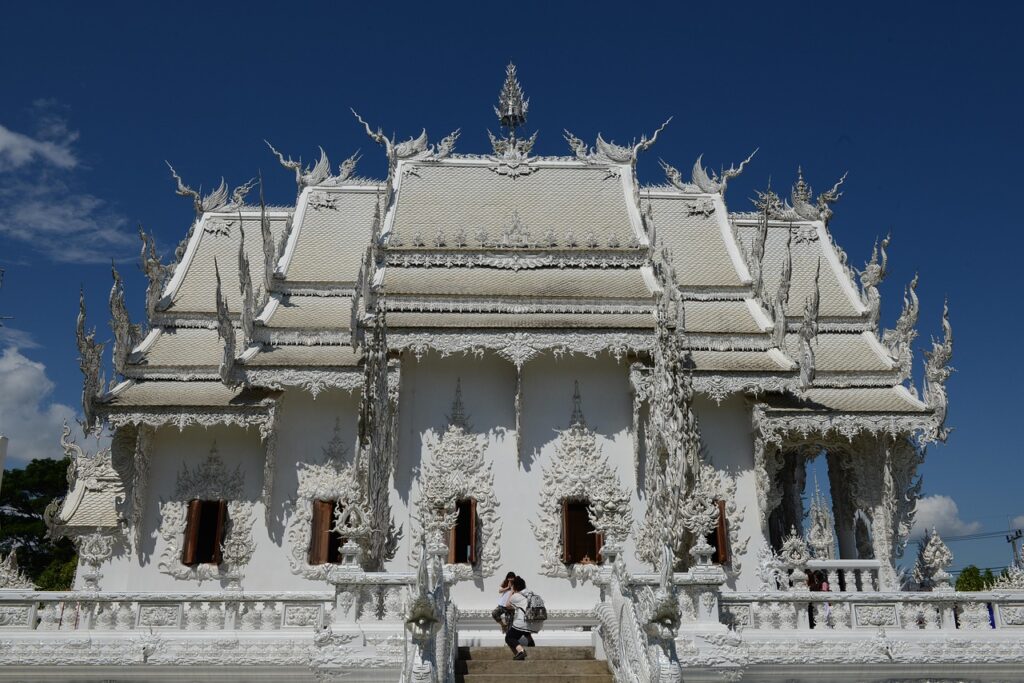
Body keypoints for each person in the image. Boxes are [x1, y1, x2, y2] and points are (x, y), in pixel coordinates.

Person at [505, 576, 536, 660]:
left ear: (516, 586)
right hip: (536, 622)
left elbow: (507, 605)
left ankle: (521, 651)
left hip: (524, 622)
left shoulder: (516, 596)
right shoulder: (530, 593)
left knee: (509, 637)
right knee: (524, 626)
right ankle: (530, 641)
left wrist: (511, 591)